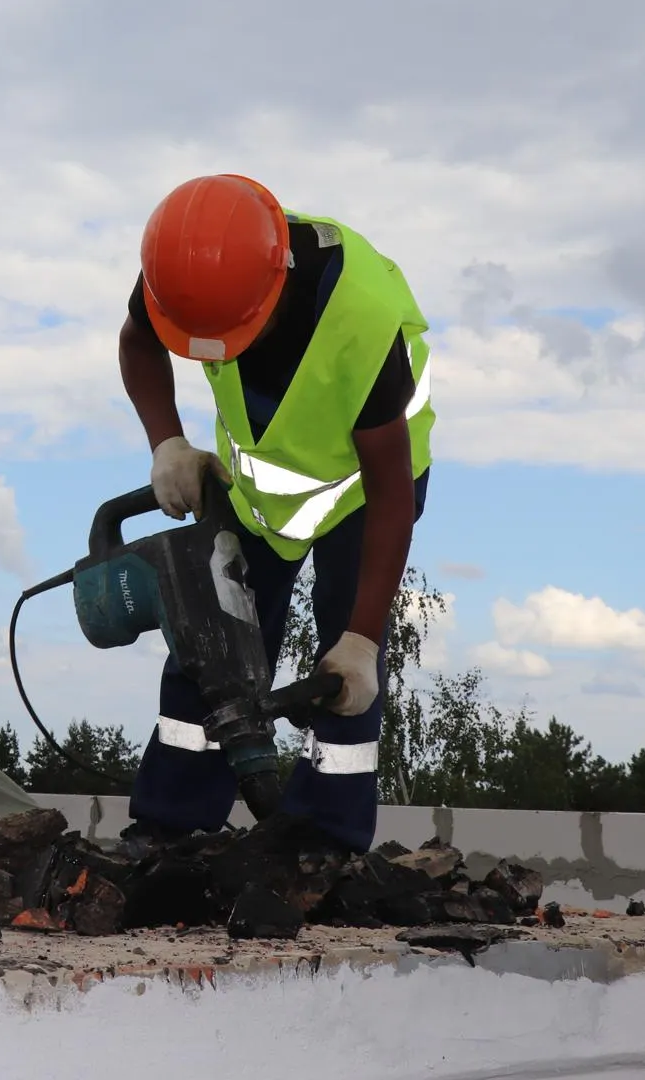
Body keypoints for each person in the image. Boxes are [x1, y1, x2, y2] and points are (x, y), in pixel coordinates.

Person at [116, 174, 435, 853]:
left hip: (364, 494)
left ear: (277, 285)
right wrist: (166, 441)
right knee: (209, 638)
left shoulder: (359, 320)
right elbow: (138, 341)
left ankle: (325, 843)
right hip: (257, 492)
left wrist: (363, 641)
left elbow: (391, 493)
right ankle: (170, 825)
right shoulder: (186, 267)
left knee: (343, 669)